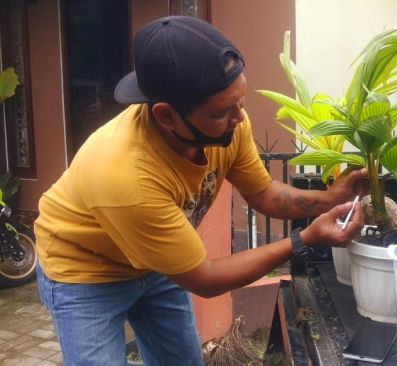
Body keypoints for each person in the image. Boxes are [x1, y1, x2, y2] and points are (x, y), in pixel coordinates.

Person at [34, 16, 366, 366]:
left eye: (239, 100)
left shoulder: (229, 122)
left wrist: (330, 199)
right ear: (166, 116)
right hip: (85, 271)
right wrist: (304, 240)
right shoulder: (125, 174)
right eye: (223, 111)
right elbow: (204, 277)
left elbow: (263, 192)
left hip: (157, 263)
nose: (240, 117)